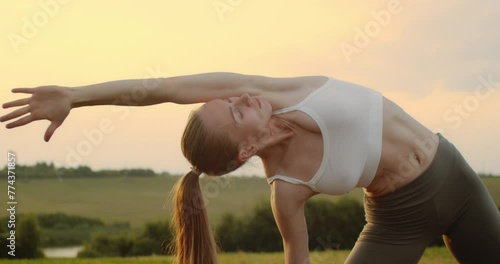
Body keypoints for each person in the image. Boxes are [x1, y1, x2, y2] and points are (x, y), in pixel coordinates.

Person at [1, 72, 499, 264]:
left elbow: (158, 90)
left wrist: (75, 97)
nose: (243, 97)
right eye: (236, 112)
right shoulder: (287, 192)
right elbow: (297, 261)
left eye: (231, 100)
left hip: (454, 176)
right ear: (242, 153)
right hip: (397, 222)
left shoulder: (275, 92)